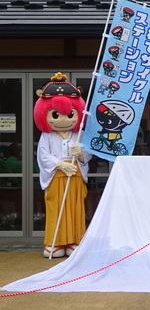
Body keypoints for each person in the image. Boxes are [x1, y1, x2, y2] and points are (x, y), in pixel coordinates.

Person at [34, 73, 92, 258]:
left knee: (75, 208)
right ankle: (55, 242)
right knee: (55, 208)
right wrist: (60, 164)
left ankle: (75, 240)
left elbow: (88, 154)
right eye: (56, 115)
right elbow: (43, 155)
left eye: (70, 114)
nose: (63, 119)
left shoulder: (79, 135)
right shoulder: (47, 136)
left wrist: (81, 154)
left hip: (75, 176)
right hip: (56, 177)